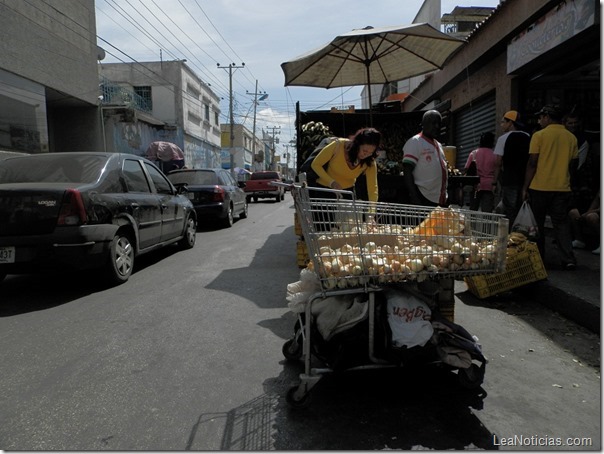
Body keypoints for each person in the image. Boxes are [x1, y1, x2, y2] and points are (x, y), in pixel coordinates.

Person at [522, 104, 579, 270]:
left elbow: (532, 163)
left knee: (537, 224)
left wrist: (525, 187)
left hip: (539, 187)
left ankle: (539, 259)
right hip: (562, 188)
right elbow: (573, 166)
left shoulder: (539, 136)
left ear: (547, 117)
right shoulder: (571, 138)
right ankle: (568, 258)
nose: (540, 121)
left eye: (541, 117)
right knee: (561, 224)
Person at [309, 127, 381, 201]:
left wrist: (372, 209)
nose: (366, 155)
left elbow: (373, 188)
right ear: (357, 144)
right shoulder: (338, 145)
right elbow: (316, 164)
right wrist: (331, 182)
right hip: (324, 190)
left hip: (347, 193)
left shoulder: (370, 161)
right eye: (364, 151)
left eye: (370, 153)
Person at [492, 110, 530, 228]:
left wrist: (494, 182)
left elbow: (498, 163)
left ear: (511, 123)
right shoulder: (528, 136)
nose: (501, 124)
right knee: (521, 210)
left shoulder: (503, 139)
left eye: (504, 122)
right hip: (525, 181)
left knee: (509, 212)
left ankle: (510, 239)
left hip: (509, 181)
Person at [402, 110, 448, 207]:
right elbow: (407, 170)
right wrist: (414, 196)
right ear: (423, 124)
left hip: (439, 199)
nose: (437, 127)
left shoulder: (438, 144)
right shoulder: (415, 142)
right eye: (433, 123)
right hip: (424, 198)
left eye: (439, 123)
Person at [463, 132, 497, 212]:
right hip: (489, 186)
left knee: (473, 211)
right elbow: (497, 170)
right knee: (487, 213)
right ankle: (486, 224)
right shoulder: (495, 155)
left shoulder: (473, 153)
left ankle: (472, 224)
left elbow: (466, 168)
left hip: (476, 186)